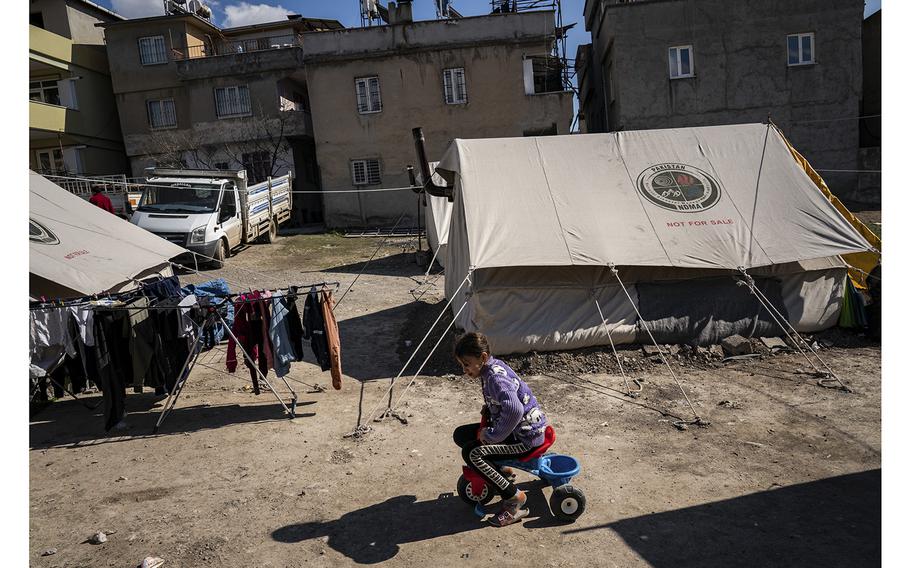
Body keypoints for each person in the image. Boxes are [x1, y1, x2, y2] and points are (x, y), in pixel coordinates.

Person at [452, 332, 549, 527]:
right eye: (462, 365)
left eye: (467, 364)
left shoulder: (495, 378)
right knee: (461, 435)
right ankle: (501, 470)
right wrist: (491, 408)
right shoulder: (491, 369)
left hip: (525, 438)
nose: (464, 369)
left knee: (473, 454)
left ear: (483, 358)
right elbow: (506, 399)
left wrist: (492, 436)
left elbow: (514, 409)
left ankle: (514, 499)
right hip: (517, 430)